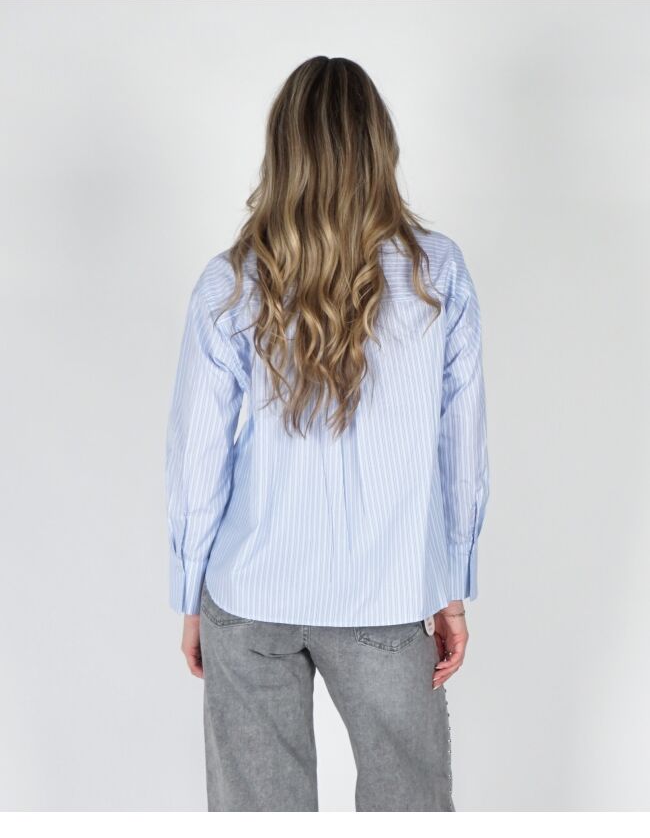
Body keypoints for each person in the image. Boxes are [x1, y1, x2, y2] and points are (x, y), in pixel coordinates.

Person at [164, 55, 490, 812]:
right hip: (388, 593)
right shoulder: (437, 274)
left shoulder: (231, 280)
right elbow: (461, 449)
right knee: (410, 809)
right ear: (380, 147)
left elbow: (196, 459)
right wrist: (450, 588)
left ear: (282, 150)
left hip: (249, 593)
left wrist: (190, 594)